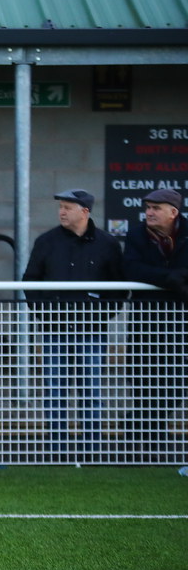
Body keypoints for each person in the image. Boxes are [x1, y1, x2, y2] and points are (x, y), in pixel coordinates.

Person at [21, 188, 123, 452]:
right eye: (61, 207)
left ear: (85, 212)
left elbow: (120, 289)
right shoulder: (46, 242)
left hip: (92, 331)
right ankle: (57, 446)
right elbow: (30, 282)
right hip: (55, 330)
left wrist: (99, 315)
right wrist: (47, 314)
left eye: (68, 207)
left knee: (91, 387)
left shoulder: (107, 243)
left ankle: (92, 447)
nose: (61, 212)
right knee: (55, 388)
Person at [122, 188, 188, 458]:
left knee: (175, 381)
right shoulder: (137, 234)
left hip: (180, 321)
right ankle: (143, 445)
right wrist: (171, 279)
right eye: (148, 207)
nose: (149, 212)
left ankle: (147, 437)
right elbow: (132, 268)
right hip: (145, 319)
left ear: (173, 212)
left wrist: (170, 277)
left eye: (156, 208)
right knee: (142, 379)